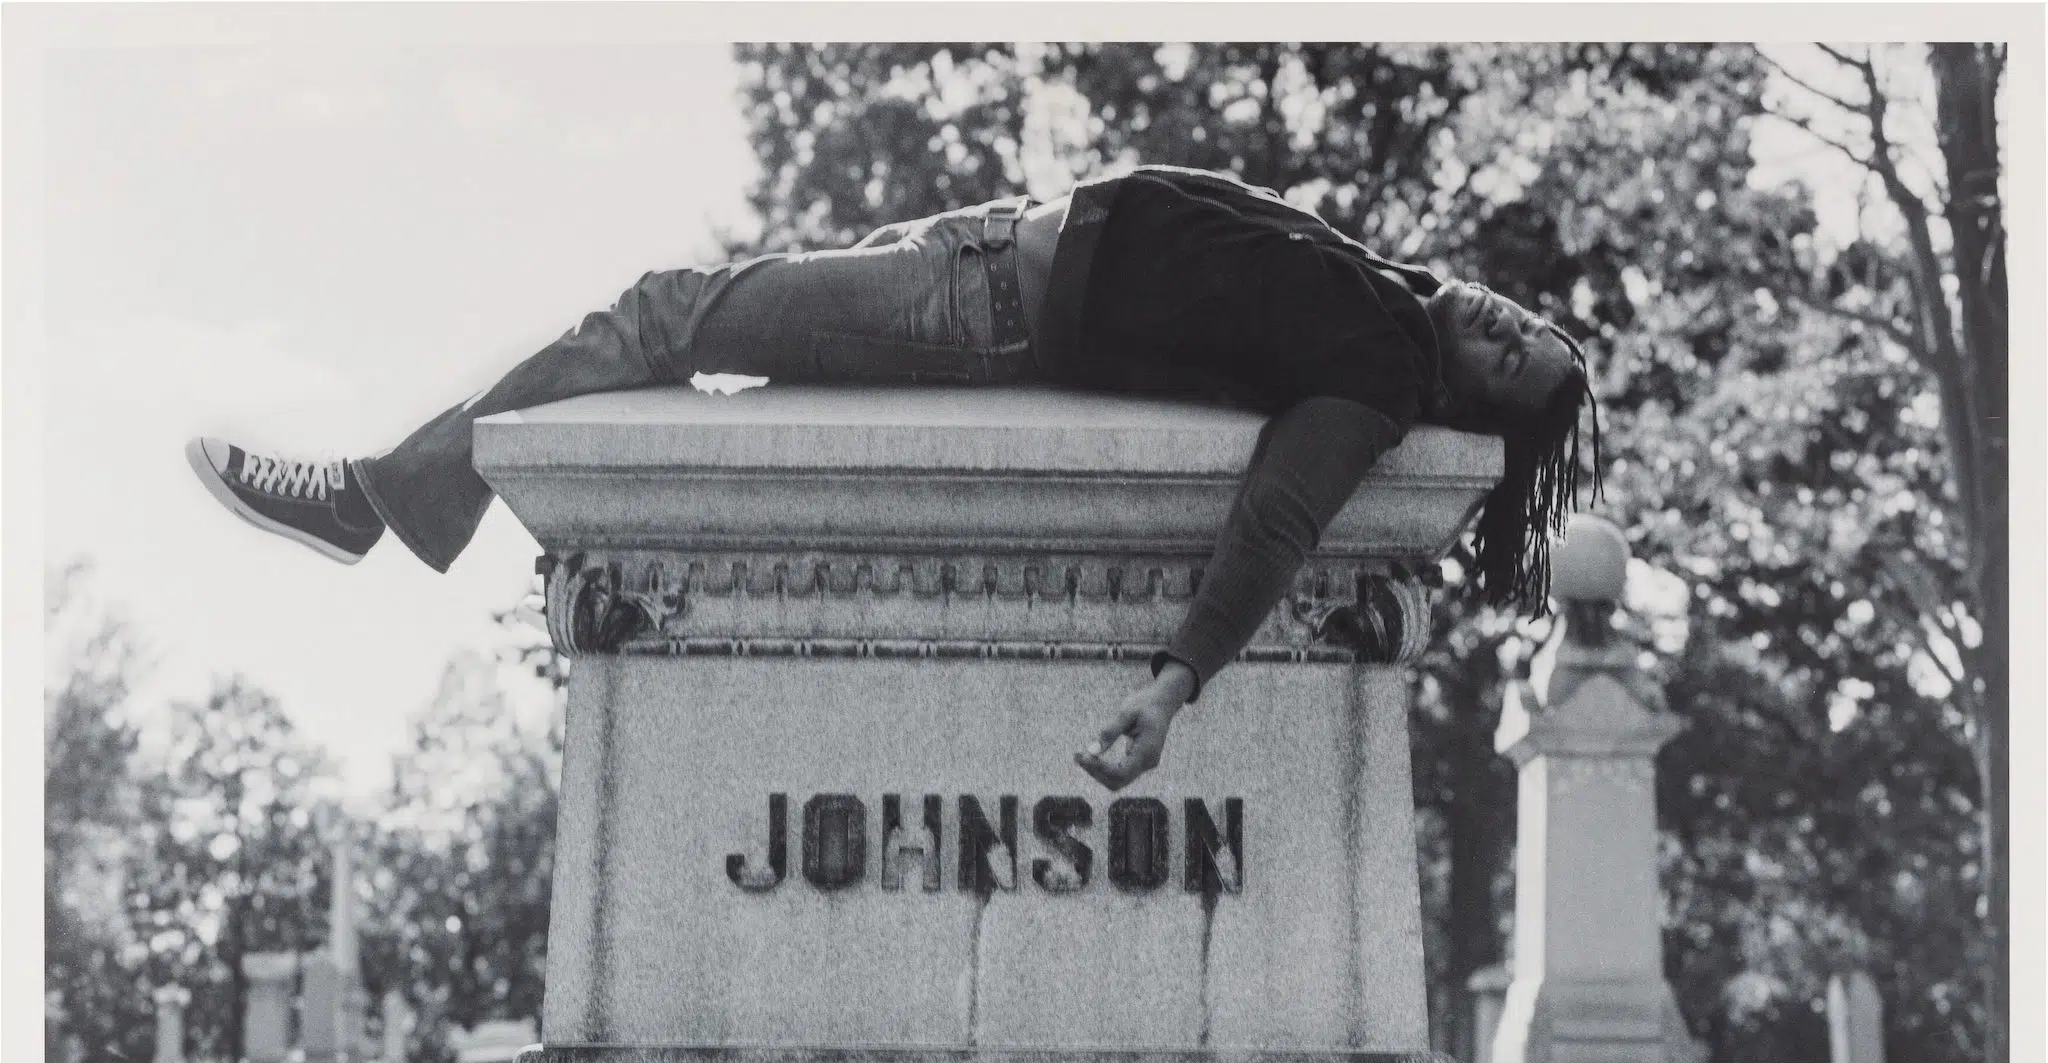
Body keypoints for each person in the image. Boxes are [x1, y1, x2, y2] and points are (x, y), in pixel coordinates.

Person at [186, 164, 1598, 791]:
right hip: (977, 243)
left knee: (668, 316)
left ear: (1471, 404)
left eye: (1510, 360)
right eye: (1523, 321)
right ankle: (395, 494)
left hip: (980, 310)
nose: (1502, 326)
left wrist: (1175, 686)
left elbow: (1279, 517)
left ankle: (382, 499)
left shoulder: (1374, 379)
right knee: (702, 340)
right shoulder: (1385, 291)